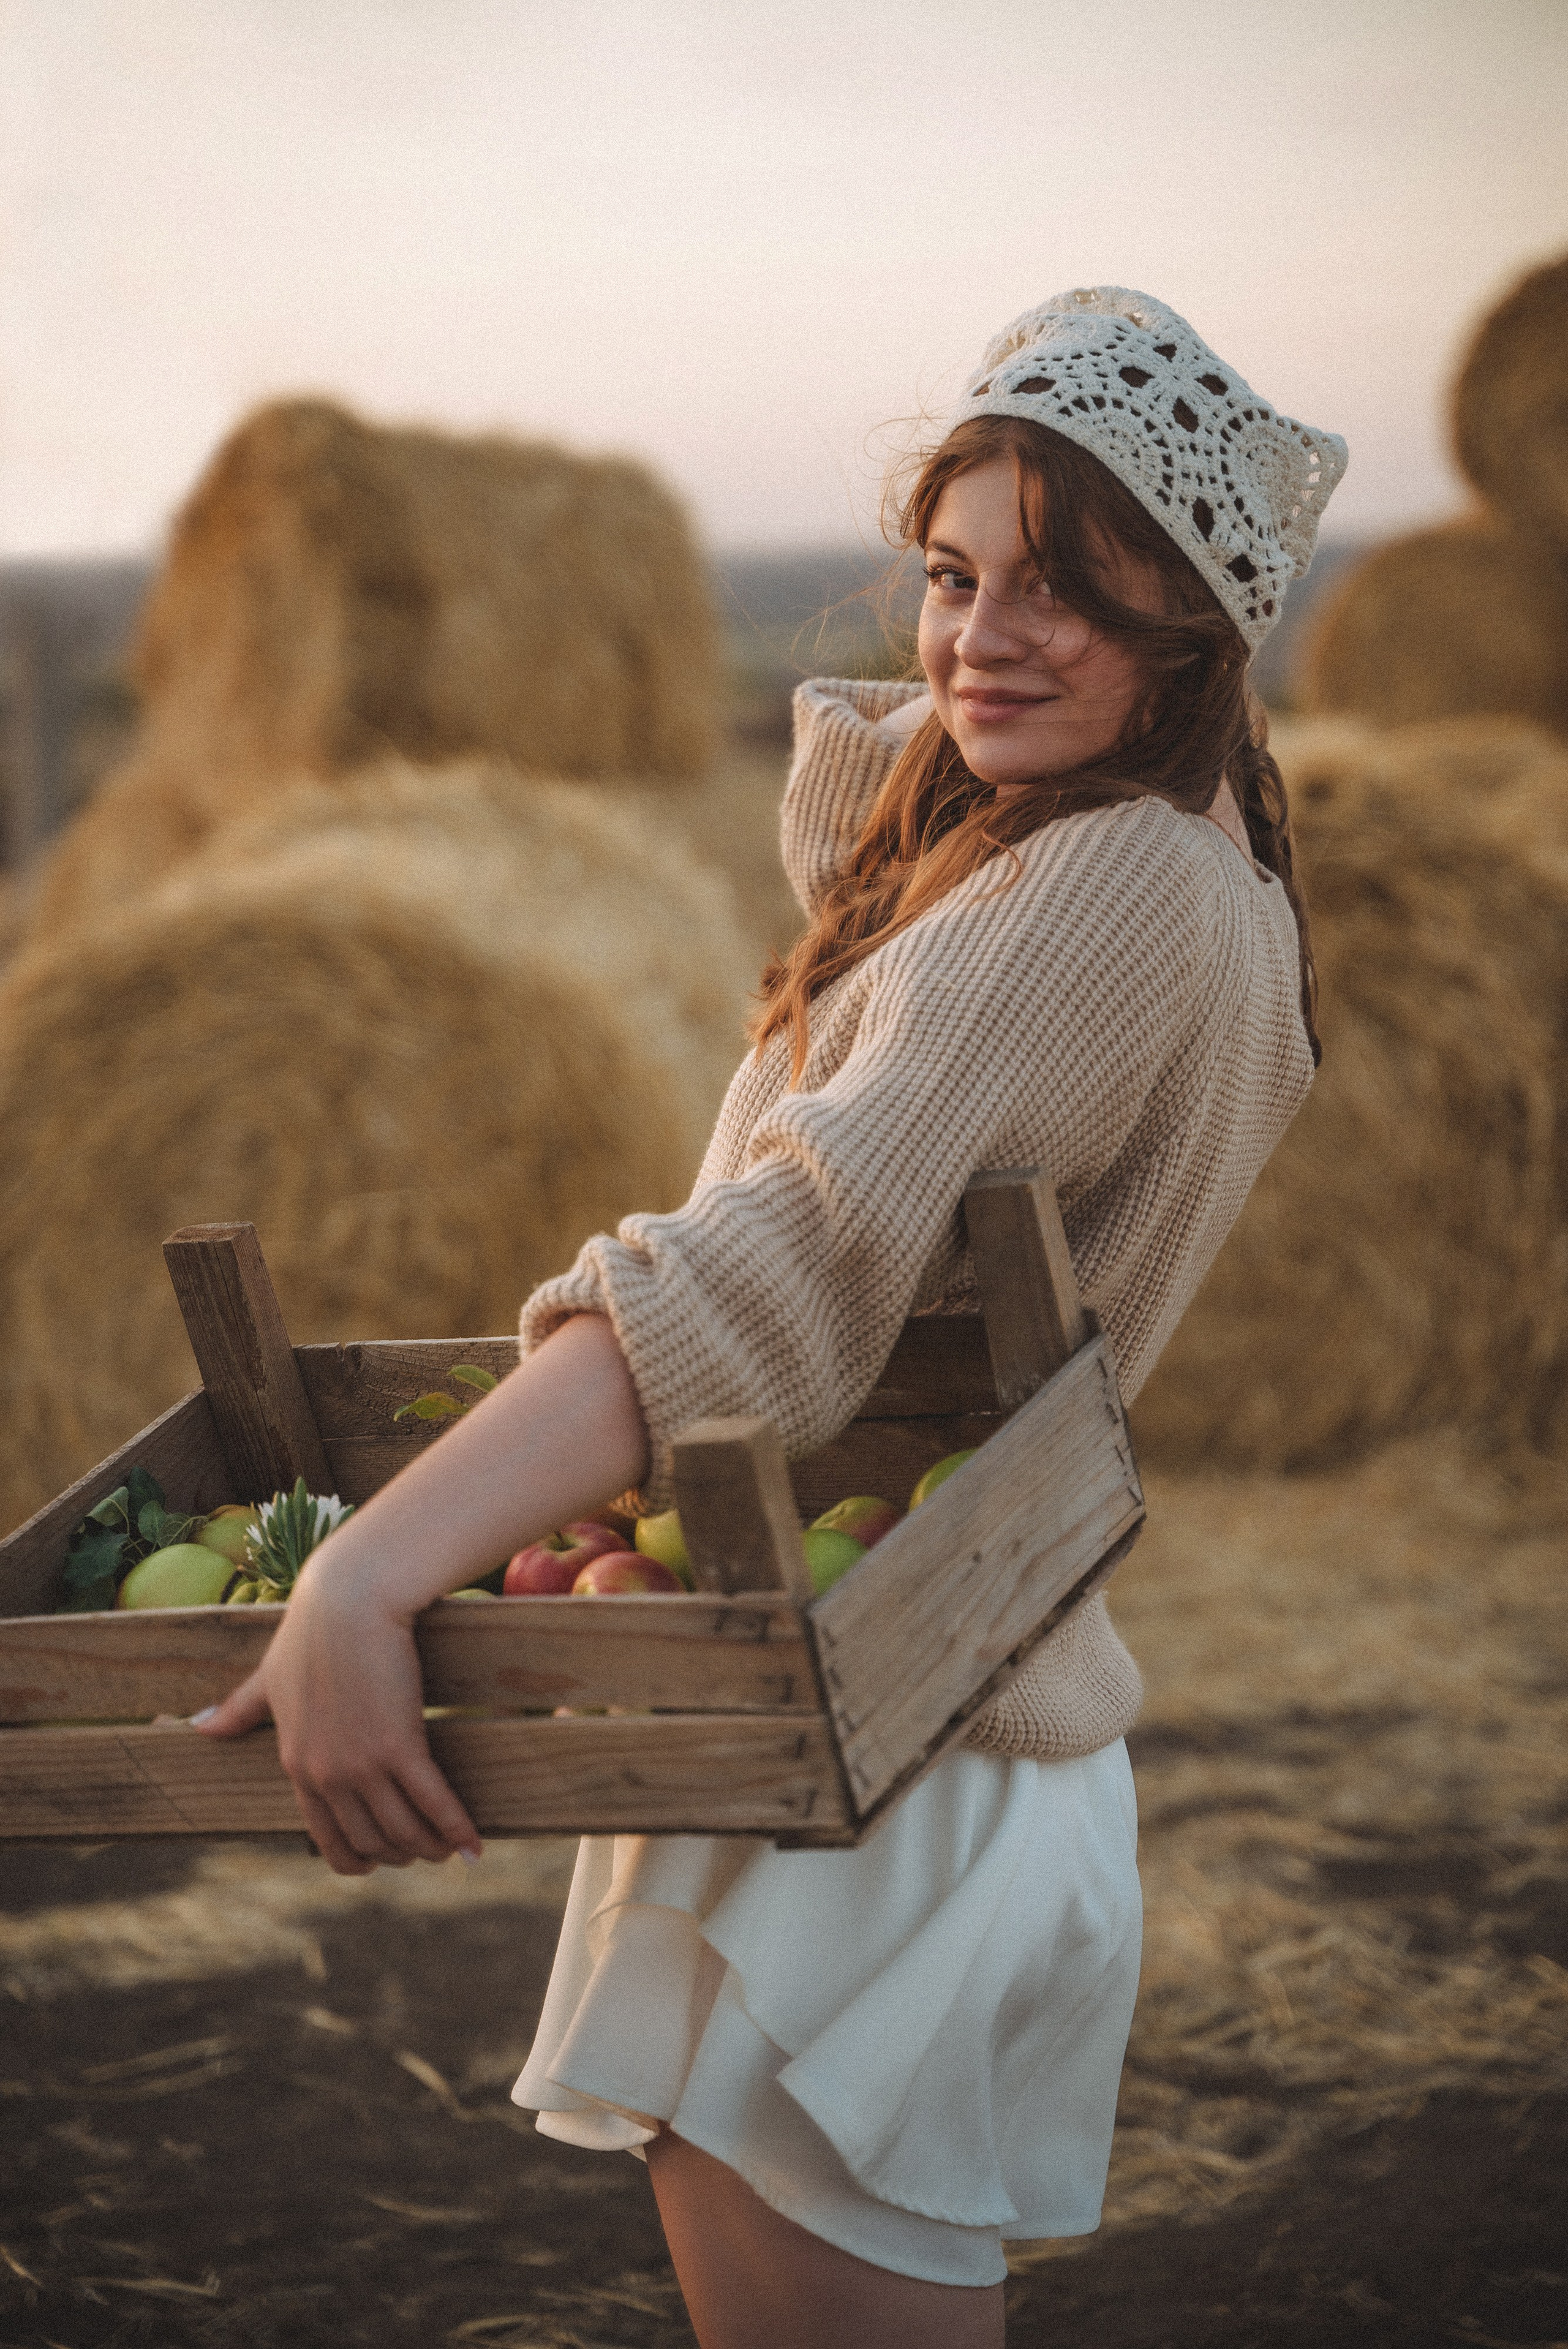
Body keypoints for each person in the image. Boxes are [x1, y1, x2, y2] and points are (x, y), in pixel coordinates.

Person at [198, 286, 1346, 2348]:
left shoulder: (1102, 890)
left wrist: (367, 1571)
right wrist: (938, 745)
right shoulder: (1162, 851)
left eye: (1063, 587)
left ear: (1191, 624)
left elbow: (782, 1264)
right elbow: (893, 888)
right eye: (953, 575)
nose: (979, 636)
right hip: (879, 1698)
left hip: (883, 1767)